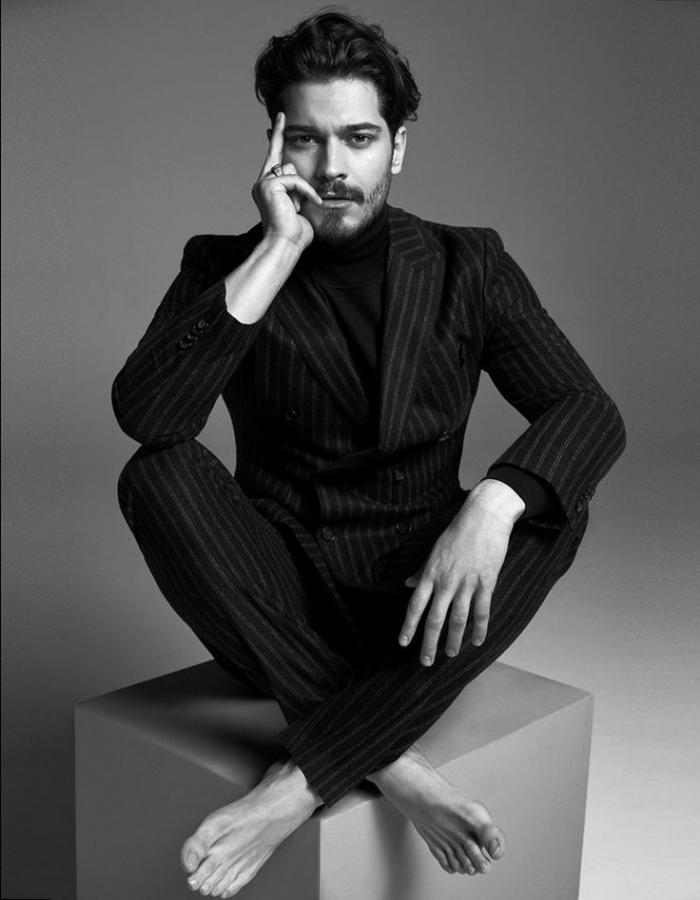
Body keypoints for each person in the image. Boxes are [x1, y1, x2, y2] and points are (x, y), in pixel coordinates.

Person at [112, 10, 625, 899]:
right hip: (277, 601)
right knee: (153, 475)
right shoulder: (222, 266)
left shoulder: (469, 264)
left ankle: (299, 780)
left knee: (555, 505)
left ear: (398, 147)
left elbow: (588, 409)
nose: (332, 168)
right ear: (274, 147)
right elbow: (149, 418)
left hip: (422, 595)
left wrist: (492, 503)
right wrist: (278, 248)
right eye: (305, 139)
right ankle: (390, 759)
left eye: (358, 137)